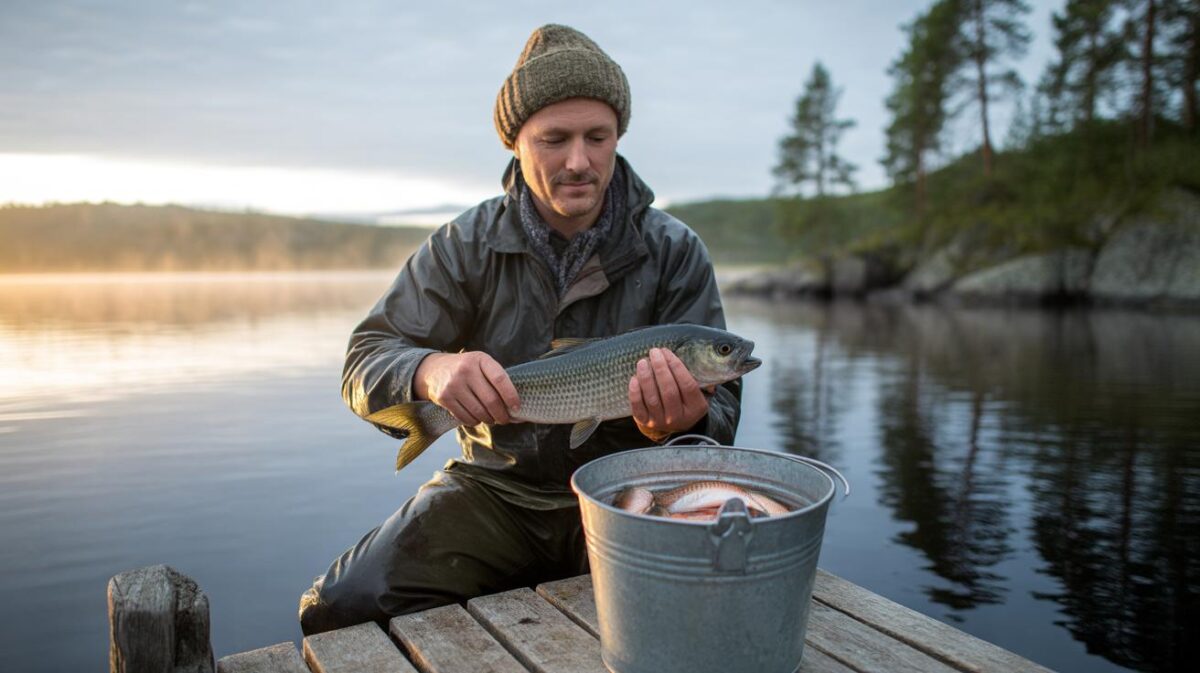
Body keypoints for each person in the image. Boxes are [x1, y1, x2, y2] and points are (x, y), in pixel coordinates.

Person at [298, 23, 744, 635]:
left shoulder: (674, 250)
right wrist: (430, 372)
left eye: (598, 137)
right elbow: (365, 358)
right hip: (494, 492)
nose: (579, 161)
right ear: (516, 143)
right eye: (554, 139)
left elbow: (721, 423)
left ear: (619, 136)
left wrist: (686, 425)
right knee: (342, 607)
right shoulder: (464, 245)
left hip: (632, 494)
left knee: (714, 615)